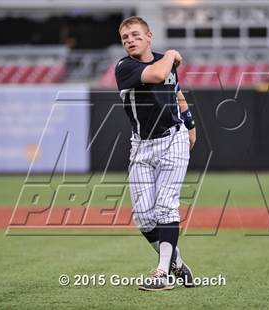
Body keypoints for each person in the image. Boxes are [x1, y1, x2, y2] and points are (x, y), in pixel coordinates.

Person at [115, 16, 197, 291]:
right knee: (144, 217)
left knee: (166, 206)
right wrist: (173, 54)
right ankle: (176, 261)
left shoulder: (164, 60)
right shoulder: (125, 67)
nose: (130, 40)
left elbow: (175, 91)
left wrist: (190, 123)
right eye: (126, 37)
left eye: (136, 35)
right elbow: (159, 74)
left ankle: (162, 273)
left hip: (173, 140)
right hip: (140, 145)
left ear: (149, 36)